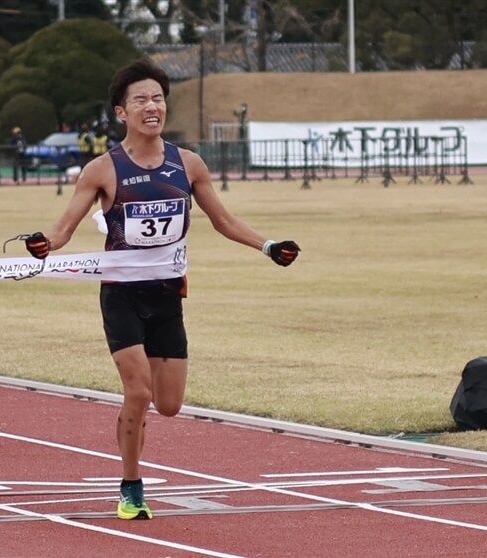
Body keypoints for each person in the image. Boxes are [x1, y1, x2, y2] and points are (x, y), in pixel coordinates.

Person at [21, 58, 300, 521]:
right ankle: (131, 486)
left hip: (167, 295)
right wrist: (43, 244)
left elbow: (224, 221)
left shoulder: (187, 164)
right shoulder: (101, 170)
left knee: (168, 405)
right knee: (138, 392)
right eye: (141, 100)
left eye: (158, 99)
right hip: (122, 295)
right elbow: (63, 229)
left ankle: (135, 469)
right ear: (120, 112)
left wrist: (268, 246)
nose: (152, 107)